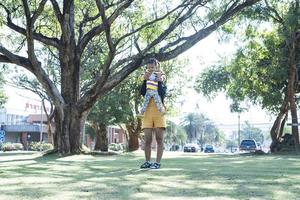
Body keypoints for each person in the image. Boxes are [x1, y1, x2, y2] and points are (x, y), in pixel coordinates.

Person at [140, 58, 166, 169]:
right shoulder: (147, 79)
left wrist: (160, 81)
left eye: (153, 67)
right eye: (149, 67)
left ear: (156, 67)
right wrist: (144, 80)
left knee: (159, 139)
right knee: (148, 139)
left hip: (159, 112)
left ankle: (157, 163)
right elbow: (142, 92)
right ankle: (147, 162)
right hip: (147, 113)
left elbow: (162, 93)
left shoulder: (161, 78)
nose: (151, 69)